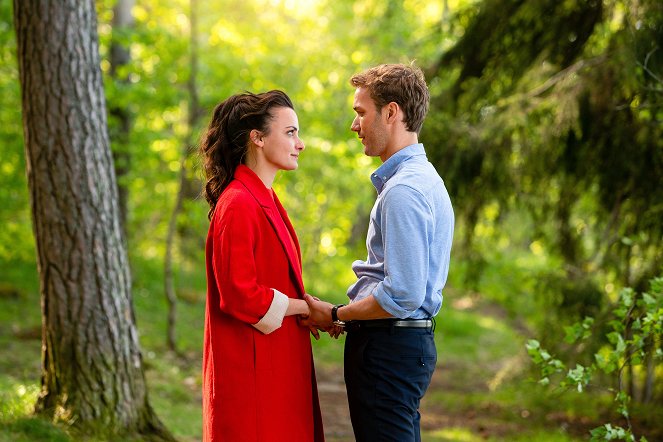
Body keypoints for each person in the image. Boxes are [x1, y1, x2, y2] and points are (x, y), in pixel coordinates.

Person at [305, 63, 454, 441]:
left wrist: (337, 313)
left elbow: (402, 294)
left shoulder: (404, 190)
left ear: (391, 112)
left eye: (361, 113)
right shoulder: (424, 179)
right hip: (398, 343)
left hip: (388, 346)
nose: (354, 125)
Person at [199, 90, 325, 442]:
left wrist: (306, 307)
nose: (300, 143)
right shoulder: (238, 203)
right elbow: (240, 295)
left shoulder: (266, 199)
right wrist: (306, 308)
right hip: (251, 380)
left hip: (275, 370)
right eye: (290, 132)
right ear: (257, 137)